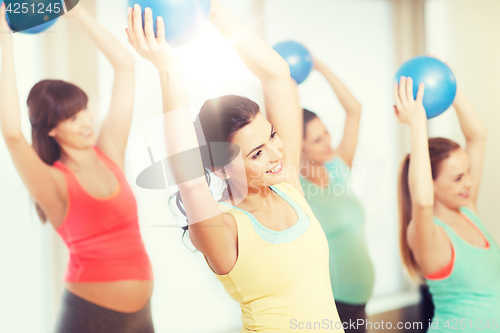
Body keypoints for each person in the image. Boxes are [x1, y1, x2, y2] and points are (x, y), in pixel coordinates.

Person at [125, 1, 344, 332]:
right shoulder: (224, 229)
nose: (276, 154)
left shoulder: (288, 188)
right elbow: (191, 183)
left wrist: (213, 11)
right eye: (256, 153)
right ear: (221, 168)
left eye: (272, 136)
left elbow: (278, 77)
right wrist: (169, 70)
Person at [0, 3, 154, 332]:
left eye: (84, 109)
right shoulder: (53, 182)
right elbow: (12, 134)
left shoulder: (109, 150)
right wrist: (3, 36)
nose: (86, 121)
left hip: (142, 315)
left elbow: (126, 67)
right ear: (52, 130)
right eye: (72, 117)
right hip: (91, 316)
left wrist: (79, 13)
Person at [395, 75, 500, 332]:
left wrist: (450, 87)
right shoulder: (425, 233)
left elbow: (478, 136)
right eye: (458, 178)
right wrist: (417, 123)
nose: (469, 183)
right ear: (430, 184)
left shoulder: (467, 211)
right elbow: (422, 201)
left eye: (468, 173)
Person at [300, 57, 374, 333]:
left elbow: (355, 110)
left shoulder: (338, 167)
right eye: (317, 140)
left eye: (326, 132)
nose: (328, 141)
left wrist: (320, 67)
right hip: (330, 301)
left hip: (360, 298)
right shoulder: (294, 185)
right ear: (300, 147)